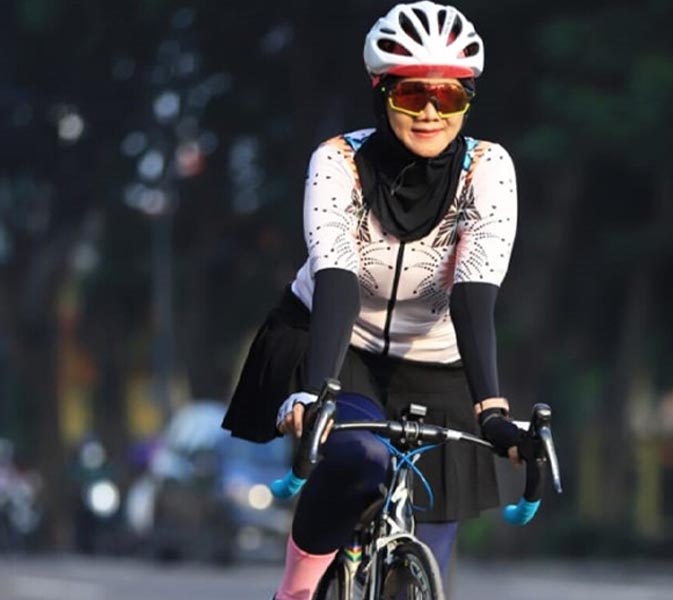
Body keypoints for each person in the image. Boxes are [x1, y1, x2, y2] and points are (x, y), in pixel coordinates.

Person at [222, 2, 523, 597]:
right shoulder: (338, 163)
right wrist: (318, 392)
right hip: (333, 340)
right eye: (414, 96)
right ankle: (297, 590)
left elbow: (474, 292)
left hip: (437, 361)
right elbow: (337, 278)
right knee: (360, 458)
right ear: (382, 91)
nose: (432, 113)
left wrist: (491, 409)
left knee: (427, 552)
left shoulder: (489, 170)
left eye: (450, 96)